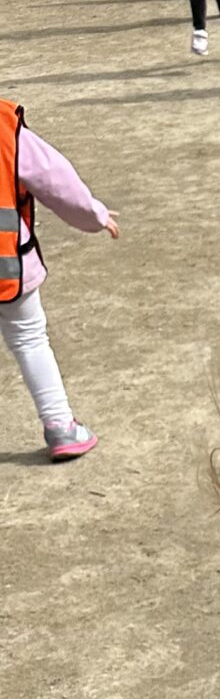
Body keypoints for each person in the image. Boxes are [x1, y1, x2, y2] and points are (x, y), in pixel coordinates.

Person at [0, 96, 115, 461]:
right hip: (7, 262)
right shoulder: (4, 123)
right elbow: (54, 178)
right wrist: (94, 216)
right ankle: (60, 426)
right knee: (30, 338)